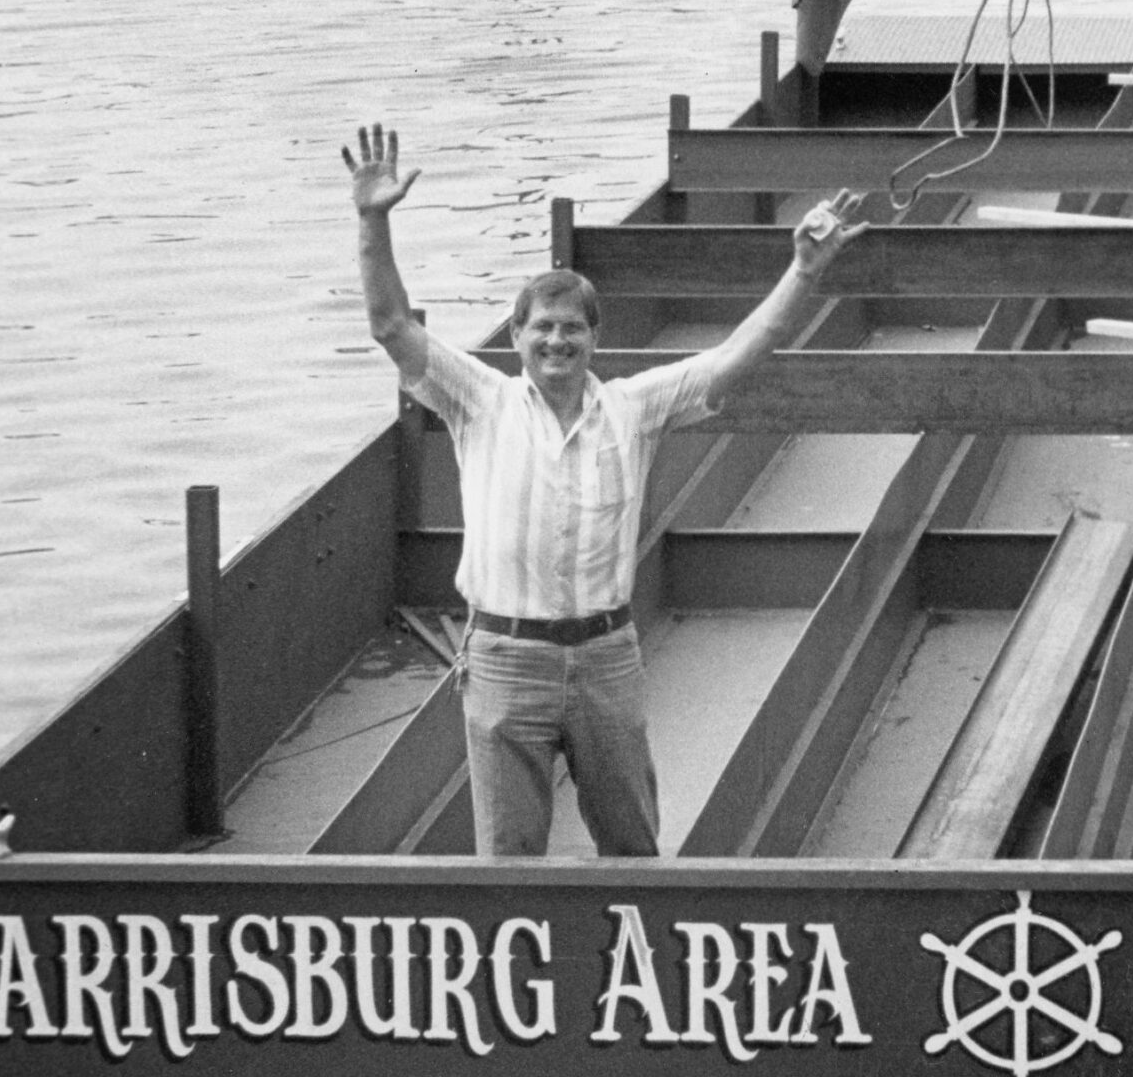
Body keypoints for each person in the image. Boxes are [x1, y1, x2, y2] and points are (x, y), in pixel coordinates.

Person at [345, 123, 868, 857]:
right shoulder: (480, 402)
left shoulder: (635, 407)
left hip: (606, 656)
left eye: (571, 330)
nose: (556, 343)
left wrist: (805, 271)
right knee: (508, 859)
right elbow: (391, 324)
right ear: (517, 339)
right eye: (540, 330)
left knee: (632, 848)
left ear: (595, 339)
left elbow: (735, 359)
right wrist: (373, 219)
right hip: (504, 656)